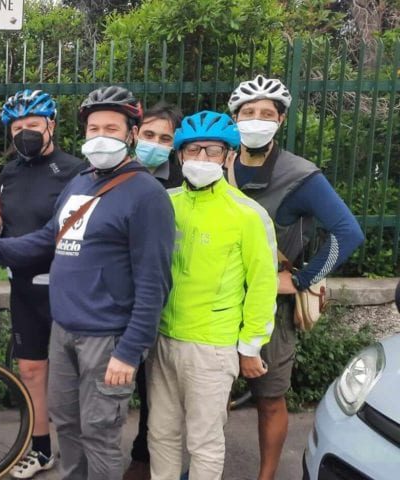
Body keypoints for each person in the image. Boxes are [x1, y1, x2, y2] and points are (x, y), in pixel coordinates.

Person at [0, 86, 175, 480]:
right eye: (94, 127)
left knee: (99, 433)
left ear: (131, 133)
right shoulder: (80, 182)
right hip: (64, 331)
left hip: (106, 337)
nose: (100, 136)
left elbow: (154, 284)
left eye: (111, 128)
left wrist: (129, 352)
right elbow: (47, 238)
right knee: (67, 424)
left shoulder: (146, 195)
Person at [228, 75, 365, 480]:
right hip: (216, 301)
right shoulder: (219, 163)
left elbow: (348, 232)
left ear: (280, 120)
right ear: (234, 118)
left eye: (266, 114)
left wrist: (303, 279)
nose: (256, 119)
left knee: (270, 398)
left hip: (271, 308)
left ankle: (266, 476)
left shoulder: (300, 176)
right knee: (208, 397)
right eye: (248, 113)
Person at [146, 111, 278, 480]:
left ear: (229, 156)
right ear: (179, 156)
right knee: (161, 434)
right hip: (163, 338)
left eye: (213, 150)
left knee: (204, 442)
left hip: (212, 347)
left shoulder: (248, 214)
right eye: (192, 150)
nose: (201, 159)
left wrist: (250, 345)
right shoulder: (165, 203)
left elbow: (263, 284)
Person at [0, 88, 87, 478]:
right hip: (24, 285)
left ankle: (81, 453)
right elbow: (8, 220)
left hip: (63, 286)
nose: (25, 132)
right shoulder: (9, 172)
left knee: (71, 377)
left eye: (33, 125)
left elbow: (58, 229)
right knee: (30, 370)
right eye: (17, 126)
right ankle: (41, 449)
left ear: (51, 125)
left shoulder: (76, 170)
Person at [124, 101, 183, 480]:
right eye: (149, 135)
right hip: (114, 295)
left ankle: (143, 454)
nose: (155, 144)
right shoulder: (114, 172)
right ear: (134, 135)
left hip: (157, 297)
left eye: (165, 138)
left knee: (152, 386)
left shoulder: (181, 181)